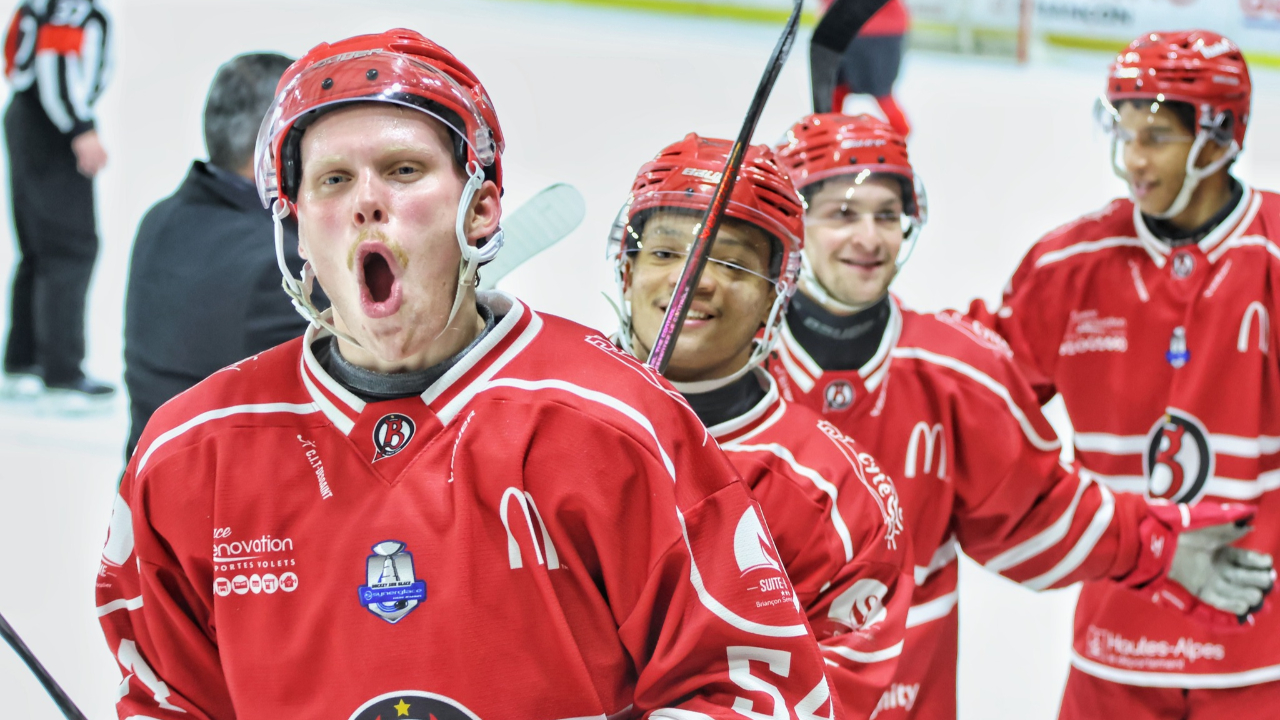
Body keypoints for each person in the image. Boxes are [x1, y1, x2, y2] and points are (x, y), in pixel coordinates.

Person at [95, 29, 843, 719]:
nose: (366, 203)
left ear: (481, 209)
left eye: (403, 171)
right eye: (332, 180)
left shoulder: (619, 423)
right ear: (295, 225)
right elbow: (168, 703)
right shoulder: (189, 455)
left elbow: (754, 688)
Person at [768, 112, 1274, 719]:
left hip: (907, 701)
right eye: (843, 214)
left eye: (886, 214)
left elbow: (1037, 505)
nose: (870, 239)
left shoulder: (952, 371)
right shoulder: (723, 371)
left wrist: (1157, 548)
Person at [969, 30, 1280, 719]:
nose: (1133, 159)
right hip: (1116, 651)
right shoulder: (1067, 266)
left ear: (1221, 135)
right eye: (1125, 133)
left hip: (1264, 657)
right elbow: (971, 394)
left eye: (1157, 138)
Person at [608, 132, 913, 716]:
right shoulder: (544, 423)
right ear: (627, 272)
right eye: (664, 253)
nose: (691, 278)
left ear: (777, 295)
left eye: (729, 262)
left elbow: (817, 699)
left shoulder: (838, 498)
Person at [123, 51, 318, 458]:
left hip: (148, 478)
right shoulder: (282, 261)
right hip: (225, 490)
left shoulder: (161, 219)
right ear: (279, 145)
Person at [1, 0, 113, 409]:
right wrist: (79, 128)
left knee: (40, 250)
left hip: (31, 121)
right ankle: (61, 373)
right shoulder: (70, 6)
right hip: (50, 127)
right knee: (69, 248)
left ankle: (24, 362)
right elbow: (55, 59)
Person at [820, 0, 910, 137]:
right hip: (840, 27)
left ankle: (899, 134)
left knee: (880, 91)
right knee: (836, 89)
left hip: (876, 30)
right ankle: (829, 135)